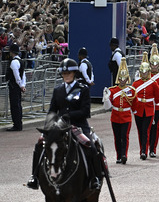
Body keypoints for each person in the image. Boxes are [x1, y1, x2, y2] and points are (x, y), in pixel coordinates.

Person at [27, 58, 103, 191]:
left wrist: (70, 116)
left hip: (78, 126)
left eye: (69, 73)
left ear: (74, 74)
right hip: (59, 127)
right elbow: (52, 110)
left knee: (91, 146)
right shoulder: (58, 90)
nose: (66, 76)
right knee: (40, 145)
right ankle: (35, 177)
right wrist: (49, 126)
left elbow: (85, 111)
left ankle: (94, 178)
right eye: (64, 74)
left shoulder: (82, 89)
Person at [6, 44, 26, 131]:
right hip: (18, 86)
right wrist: (23, 85)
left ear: (11, 52)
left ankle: (17, 125)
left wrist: (20, 85)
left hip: (14, 86)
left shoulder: (14, 62)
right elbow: (23, 75)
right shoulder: (21, 61)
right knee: (18, 105)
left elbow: (17, 75)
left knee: (14, 106)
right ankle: (18, 124)